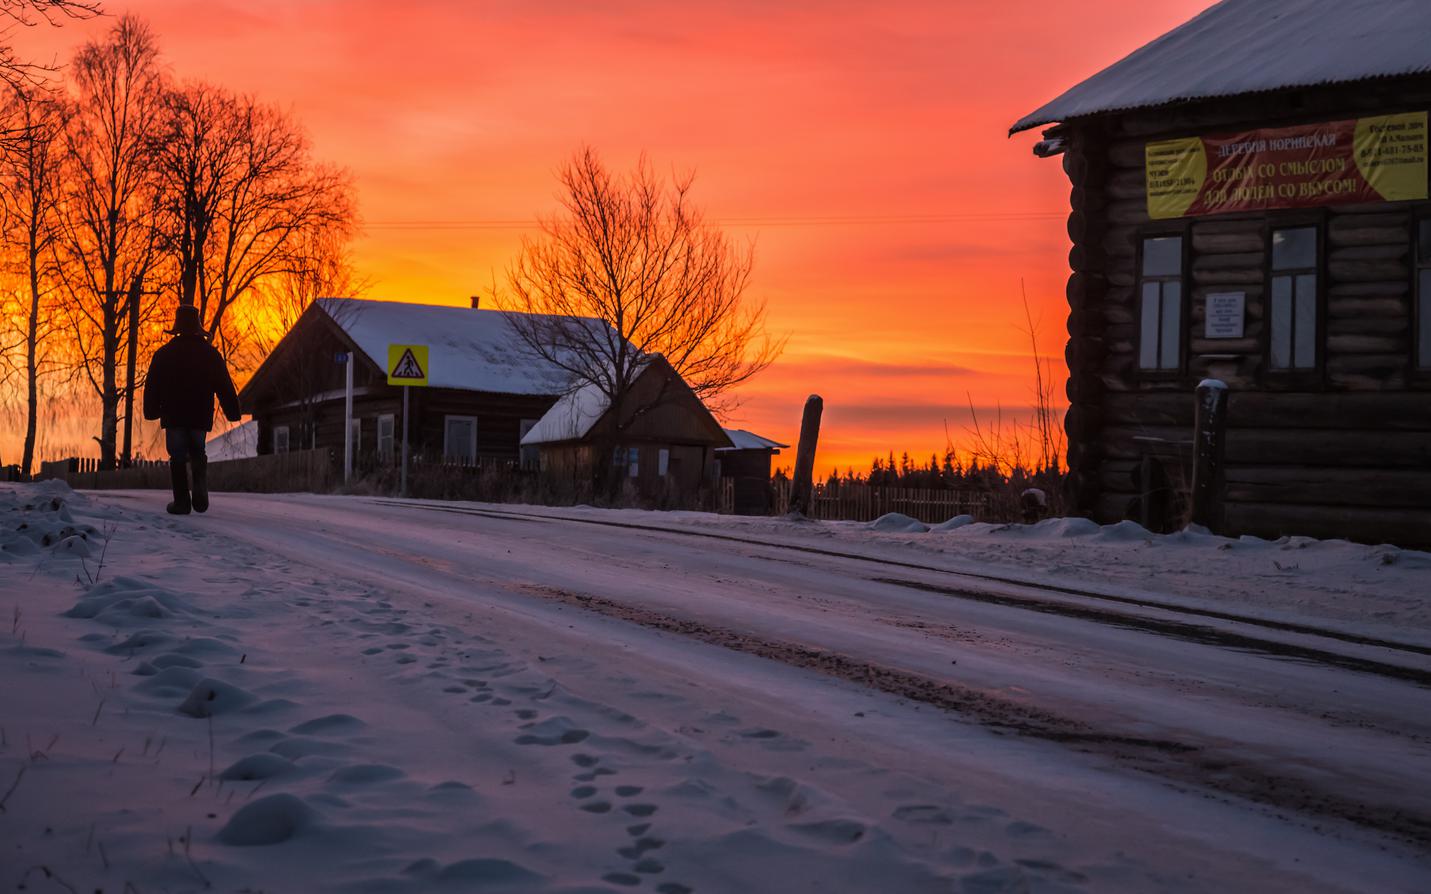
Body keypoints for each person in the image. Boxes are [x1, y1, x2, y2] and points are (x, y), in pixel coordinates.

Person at [143, 304, 241, 515]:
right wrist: (232, 411)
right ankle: (199, 492)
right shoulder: (210, 354)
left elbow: (152, 386)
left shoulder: (164, 354)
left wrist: (151, 410)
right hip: (199, 415)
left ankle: (181, 502)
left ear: (177, 328)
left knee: (177, 455)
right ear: (198, 328)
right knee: (198, 451)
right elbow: (224, 385)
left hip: (174, 415)